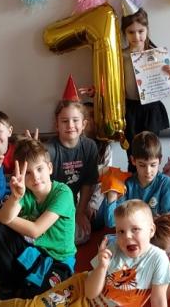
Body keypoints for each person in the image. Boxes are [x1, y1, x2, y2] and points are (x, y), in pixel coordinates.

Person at [0, 200, 170, 307]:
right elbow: (91, 293)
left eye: (135, 229)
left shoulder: (159, 259)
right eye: (120, 231)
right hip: (82, 288)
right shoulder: (113, 248)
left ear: (151, 230)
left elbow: (158, 300)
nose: (127, 236)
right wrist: (102, 267)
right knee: (37, 305)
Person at [80, 0, 170, 171]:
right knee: (132, 153)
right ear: (124, 33)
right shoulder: (119, 57)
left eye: (140, 31)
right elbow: (111, 82)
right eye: (131, 32)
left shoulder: (157, 55)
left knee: (151, 151)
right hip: (129, 111)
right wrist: (97, 91)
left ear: (147, 30)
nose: (136, 36)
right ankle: (133, 182)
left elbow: (165, 85)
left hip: (151, 110)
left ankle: (152, 181)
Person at [0, 137, 77, 300]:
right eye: (28, 173)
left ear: (50, 168)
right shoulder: (25, 193)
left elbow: (35, 231)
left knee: (36, 298)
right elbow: (6, 218)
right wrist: (15, 197)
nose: (35, 177)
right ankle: (8, 284)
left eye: (39, 169)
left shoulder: (63, 193)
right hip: (35, 253)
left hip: (59, 261)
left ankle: (25, 284)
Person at [47, 79, 101, 244]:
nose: (70, 125)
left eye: (75, 120)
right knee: (61, 235)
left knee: (92, 227)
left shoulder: (89, 146)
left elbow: (88, 183)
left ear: (83, 124)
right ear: (57, 125)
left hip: (76, 203)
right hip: (53, 203)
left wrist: (80, 212)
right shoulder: (50, 150)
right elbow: (44, 190)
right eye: (64, 121)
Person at [97, 132, 170, 228]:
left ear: (160, 160)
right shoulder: (127, 183)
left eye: (153, 165)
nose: (148, 171)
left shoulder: (165, 183)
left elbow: (168, 222)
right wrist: (112, 195)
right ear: (133, 160)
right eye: (142, 165)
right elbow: (112, 222)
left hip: (156, 233)